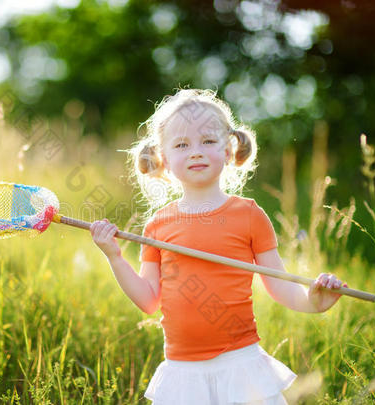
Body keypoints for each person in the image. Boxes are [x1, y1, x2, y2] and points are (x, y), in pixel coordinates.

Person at [89, 89, 348, 405]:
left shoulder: (250, 215)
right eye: (182, 145)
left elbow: (281, 287)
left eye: (208, 142)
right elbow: (148, 300)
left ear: (228, 150)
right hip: (183, 374)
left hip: (239, 365)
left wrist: (314, 301)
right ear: (164, 159)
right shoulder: (158, 226)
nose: (195, 152)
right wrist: (114, 256)